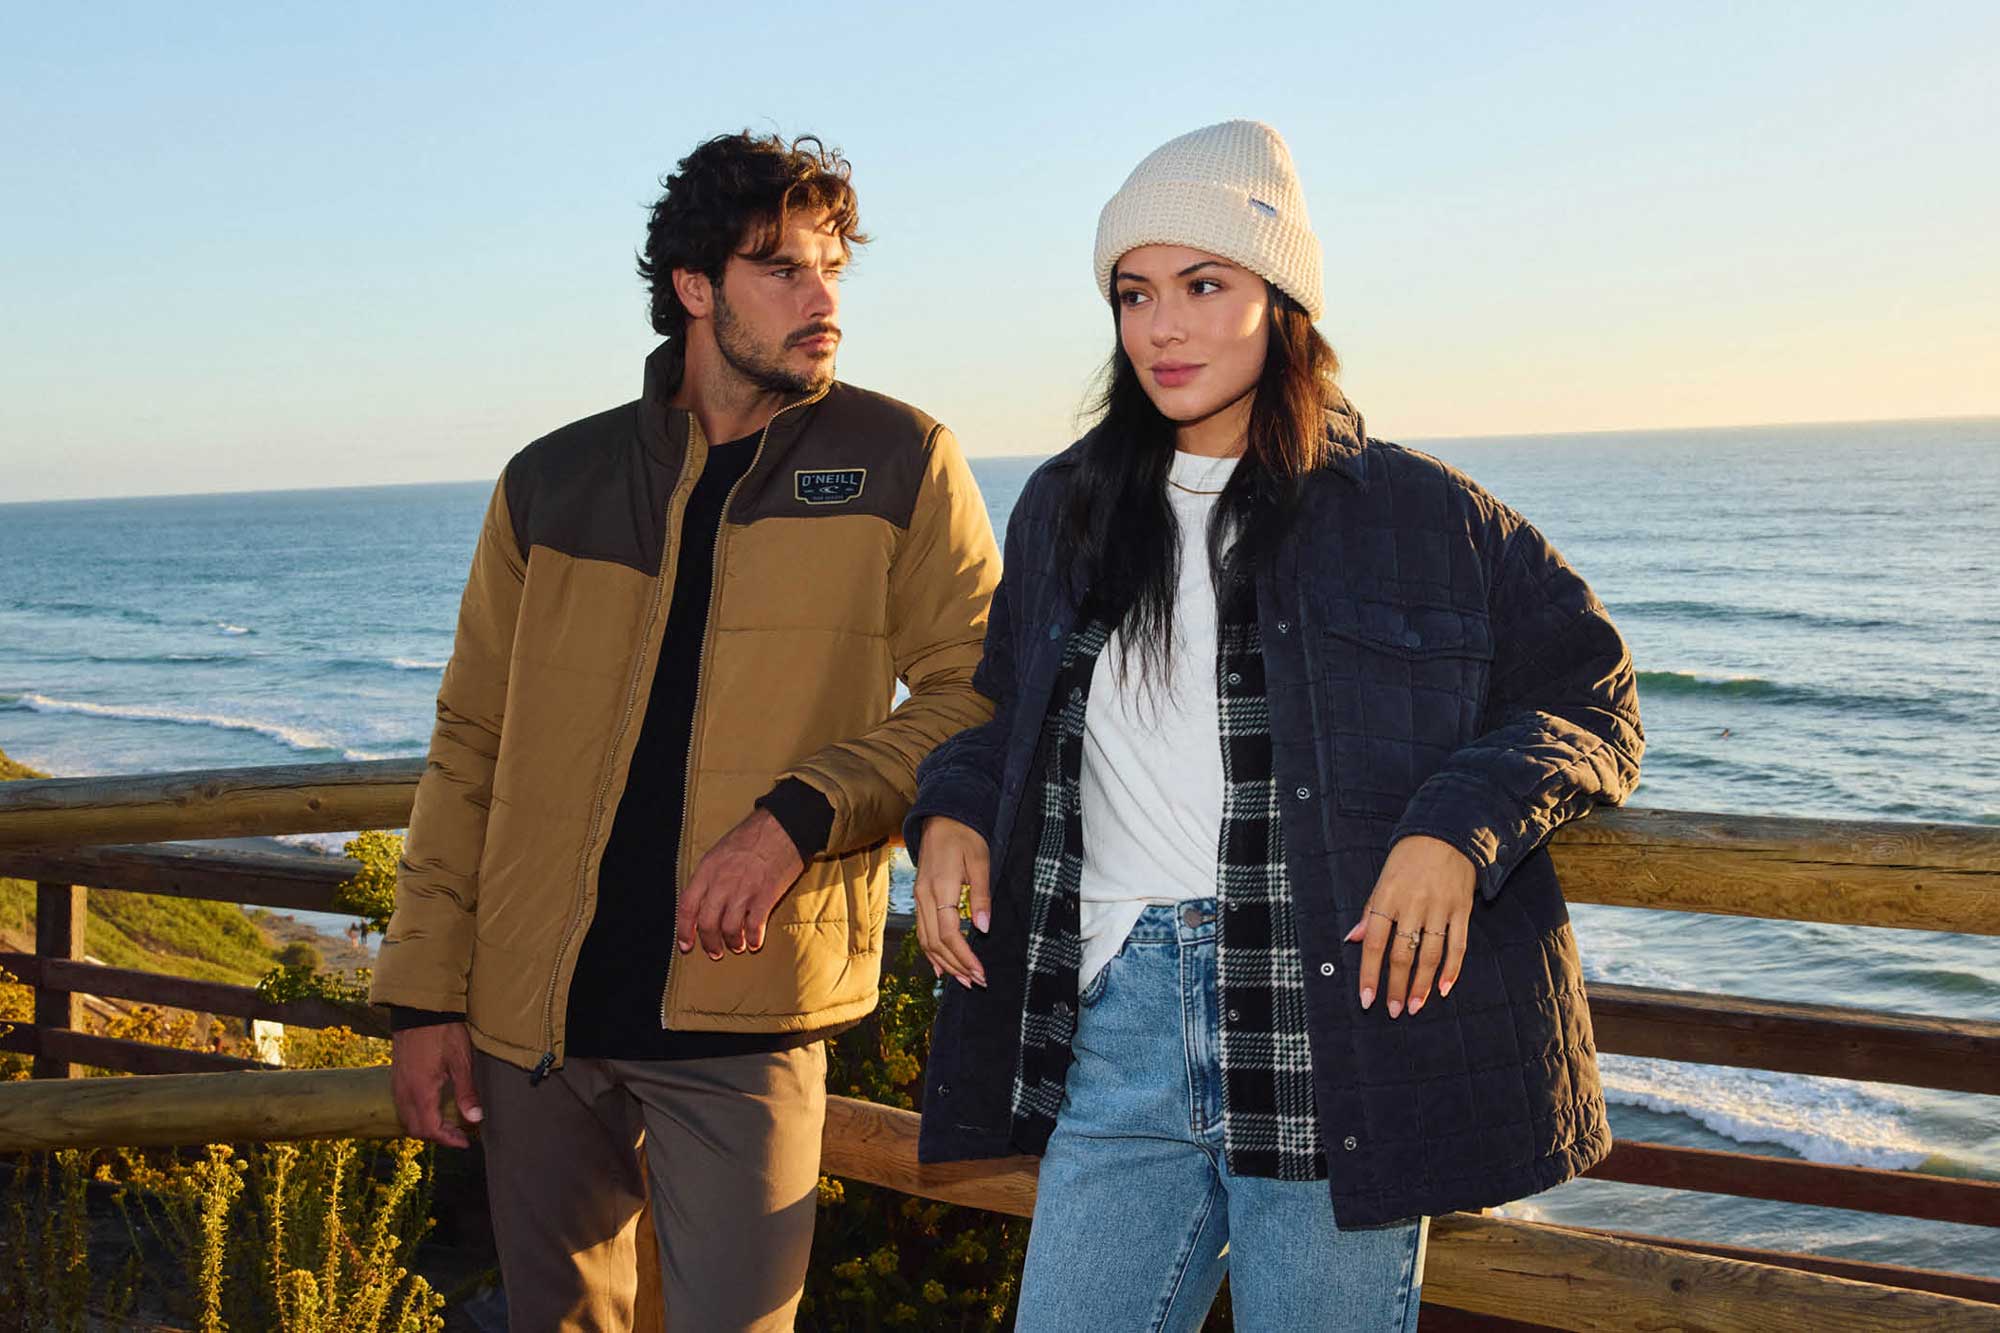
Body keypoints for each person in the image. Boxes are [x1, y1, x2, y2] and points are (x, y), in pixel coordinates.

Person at [904, 121, 1643, 1331]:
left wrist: (1454, 828)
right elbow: (1001, 712)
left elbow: (1590, 695)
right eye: (1134, 293)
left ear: (1280, 299)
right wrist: (947, 809)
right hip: (1116, 1013)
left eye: (1205, 285)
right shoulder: (1066, 507)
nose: (1162, 326)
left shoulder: (1420, 514)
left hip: (1327, 1017)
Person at [369, 131, 1001, 1332]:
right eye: (781, 270)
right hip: (531, 1018)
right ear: (695, 290)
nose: (822, 303)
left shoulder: (898, 458)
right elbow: (470, 745)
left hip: (748, 1007)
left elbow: (978, 689)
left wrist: (797, 817)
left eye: (831, 272)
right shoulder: (551, 482)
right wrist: (422, 998)